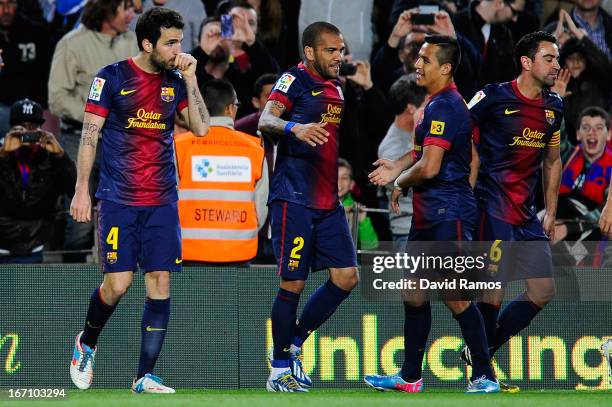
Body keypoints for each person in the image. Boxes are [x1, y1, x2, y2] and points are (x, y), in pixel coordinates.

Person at [68, 7, 209, 394]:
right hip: (118, 198)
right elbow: (89, 136)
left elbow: (200, 128)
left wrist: (192, 79)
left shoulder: (176, 81)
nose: (179, 48)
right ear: (148, 44)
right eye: (171, 42)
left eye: (180, 40)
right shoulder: (111, 77)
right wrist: (82, 188)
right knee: (118, 284)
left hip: (162, 198)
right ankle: (87, 342)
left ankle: (144, 375)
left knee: (160, 280)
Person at [364, 35, 499, 394]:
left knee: (455, 295)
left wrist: (399, 181)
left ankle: (484, 375)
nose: (418, 64)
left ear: (446, 68)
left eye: (426, 59)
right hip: (429, 212)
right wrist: (398, 165)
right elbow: (420, 155)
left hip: (448, 210)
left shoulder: (447, 106)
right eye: (418, 58)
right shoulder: (434, 103)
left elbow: (431, 167)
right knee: (413, 292)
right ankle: (410, 377)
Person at [460, 31, 564, 392]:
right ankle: (482, 374)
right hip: (492, 207)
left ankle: (480, 354)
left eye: (557, 58)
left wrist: (550, 211)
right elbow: (457, 127)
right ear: (526, 61)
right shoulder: (492, 96)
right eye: (549, 58)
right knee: (493, 291)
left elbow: (553, 160)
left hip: (526, 212)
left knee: (543, 289)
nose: (556, 65)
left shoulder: (554, 107)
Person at [258, 21, 359, 392]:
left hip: (327, 201)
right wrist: (293, 129)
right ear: (310, 52)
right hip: (293, 198)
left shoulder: (337, 89)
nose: (339, 56)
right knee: (293, 282)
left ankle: (294, 343)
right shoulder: (293, 80)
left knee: (347, 276)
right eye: (331, 50)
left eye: (341, 49)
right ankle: (278, 370)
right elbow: (267, 118)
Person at [48, 0, 139, 261]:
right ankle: (70, 288)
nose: (132, 14)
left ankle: (117, 285)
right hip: (80, 139)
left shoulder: (134, 43)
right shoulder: (71, 43)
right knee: (80, 220)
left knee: (124, 216)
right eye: (126, 8)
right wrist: (98, 115)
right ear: (107, 11)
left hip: (124, 142)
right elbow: (57, 97)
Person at [175, 79, 268, 264]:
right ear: (230, 109)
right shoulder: (254, 148)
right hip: (239, 251)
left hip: (189, 252)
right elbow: (262, 205)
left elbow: (168, 198)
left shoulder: (178, 145)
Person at [0, 98, 75, 263]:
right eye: (21, 127)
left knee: (30, 288)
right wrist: (3, 155)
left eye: (33, 127)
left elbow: (74, 190)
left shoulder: (50, 156)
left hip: (35, 244)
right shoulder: (2, 151)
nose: (27, 132)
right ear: (11, 128)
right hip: (2, 242)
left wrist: (61, 156)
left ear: (41, 129)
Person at [377, 74, 427, 246]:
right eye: (427, 102)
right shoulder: (391, 150)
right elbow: (424, 174)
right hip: (408, 232)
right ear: (411, 109)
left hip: (430, 226)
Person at [556, 107, 612, 242]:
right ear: (577, 134)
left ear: (609, 134)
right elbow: (558, 136)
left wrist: (567, 228)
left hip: (590, 235)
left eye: (598, 128)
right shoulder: (567, 154)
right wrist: (556, 102)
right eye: (586, 127)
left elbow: (604, 215)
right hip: (554, 222)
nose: (591, 133)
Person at [338, 158, 378, 250]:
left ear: (352, 184)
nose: (339, 182)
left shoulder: (355, 208)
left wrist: (362, 221)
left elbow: (370, 247)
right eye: (334, 177)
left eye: (344, 178)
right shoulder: (316, 205)